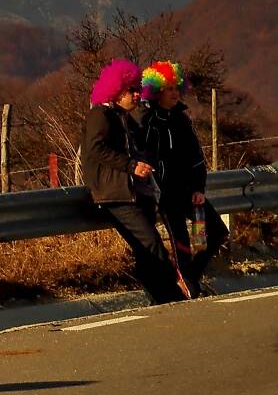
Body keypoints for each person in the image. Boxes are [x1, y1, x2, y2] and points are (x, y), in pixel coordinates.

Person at [80, 58, 187, 304]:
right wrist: (131, 166)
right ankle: (171, 296)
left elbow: (145, 147)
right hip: (117, 195)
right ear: (116, 91)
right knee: (151, 244)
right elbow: (95, 149)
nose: (137, 95)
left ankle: (162, 298)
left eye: (138, 89)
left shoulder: (124, 117)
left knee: (144, 249)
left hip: (137, 192)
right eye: (132, 90)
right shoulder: (100, 115)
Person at [137, 60, 229, 297]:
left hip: (190, 192)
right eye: (168, 89)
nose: (174, 93)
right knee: (181, 242)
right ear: (156, 92)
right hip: (166, 194)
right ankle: (187, 284)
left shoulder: (182, 120)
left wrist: (199, 188)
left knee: (216, 232)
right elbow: (145, 158)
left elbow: (196, 158)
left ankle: (190, 278)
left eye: (176, 87)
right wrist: (156, 188)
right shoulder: (149, 123)